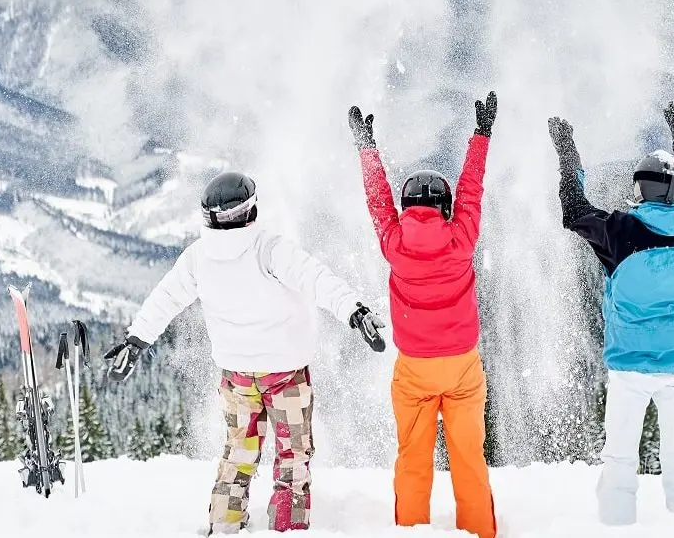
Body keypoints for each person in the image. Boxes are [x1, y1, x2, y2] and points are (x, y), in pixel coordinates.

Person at [104, 171, 386, 535]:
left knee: (238, 454)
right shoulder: (269, 248)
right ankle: (287, 528)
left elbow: (165, 298)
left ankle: (224, 526)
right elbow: (317, 279)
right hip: (286, 378)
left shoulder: (198, 257)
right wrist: (354, 311)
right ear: (250, 210)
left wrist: (136, 340)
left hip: (237, 380)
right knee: (292, 458)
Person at [547, 97, 674, 526]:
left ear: (641, 187)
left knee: (620, 459)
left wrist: (568, 153)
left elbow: (574, 209)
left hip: (630, 366)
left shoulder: (620, 232)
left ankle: (617, 526)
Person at [347, 93, 499, 538]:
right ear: (445, 208)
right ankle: (480, 532)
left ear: (408, 206)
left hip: (414, 368)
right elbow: (473, 189)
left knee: (413, 460)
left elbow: (377, 202)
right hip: (462, 367)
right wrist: (482, 135)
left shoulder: (393, 242)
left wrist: (366, 149)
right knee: (469, 458)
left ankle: (411, 531)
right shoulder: (462, 239)